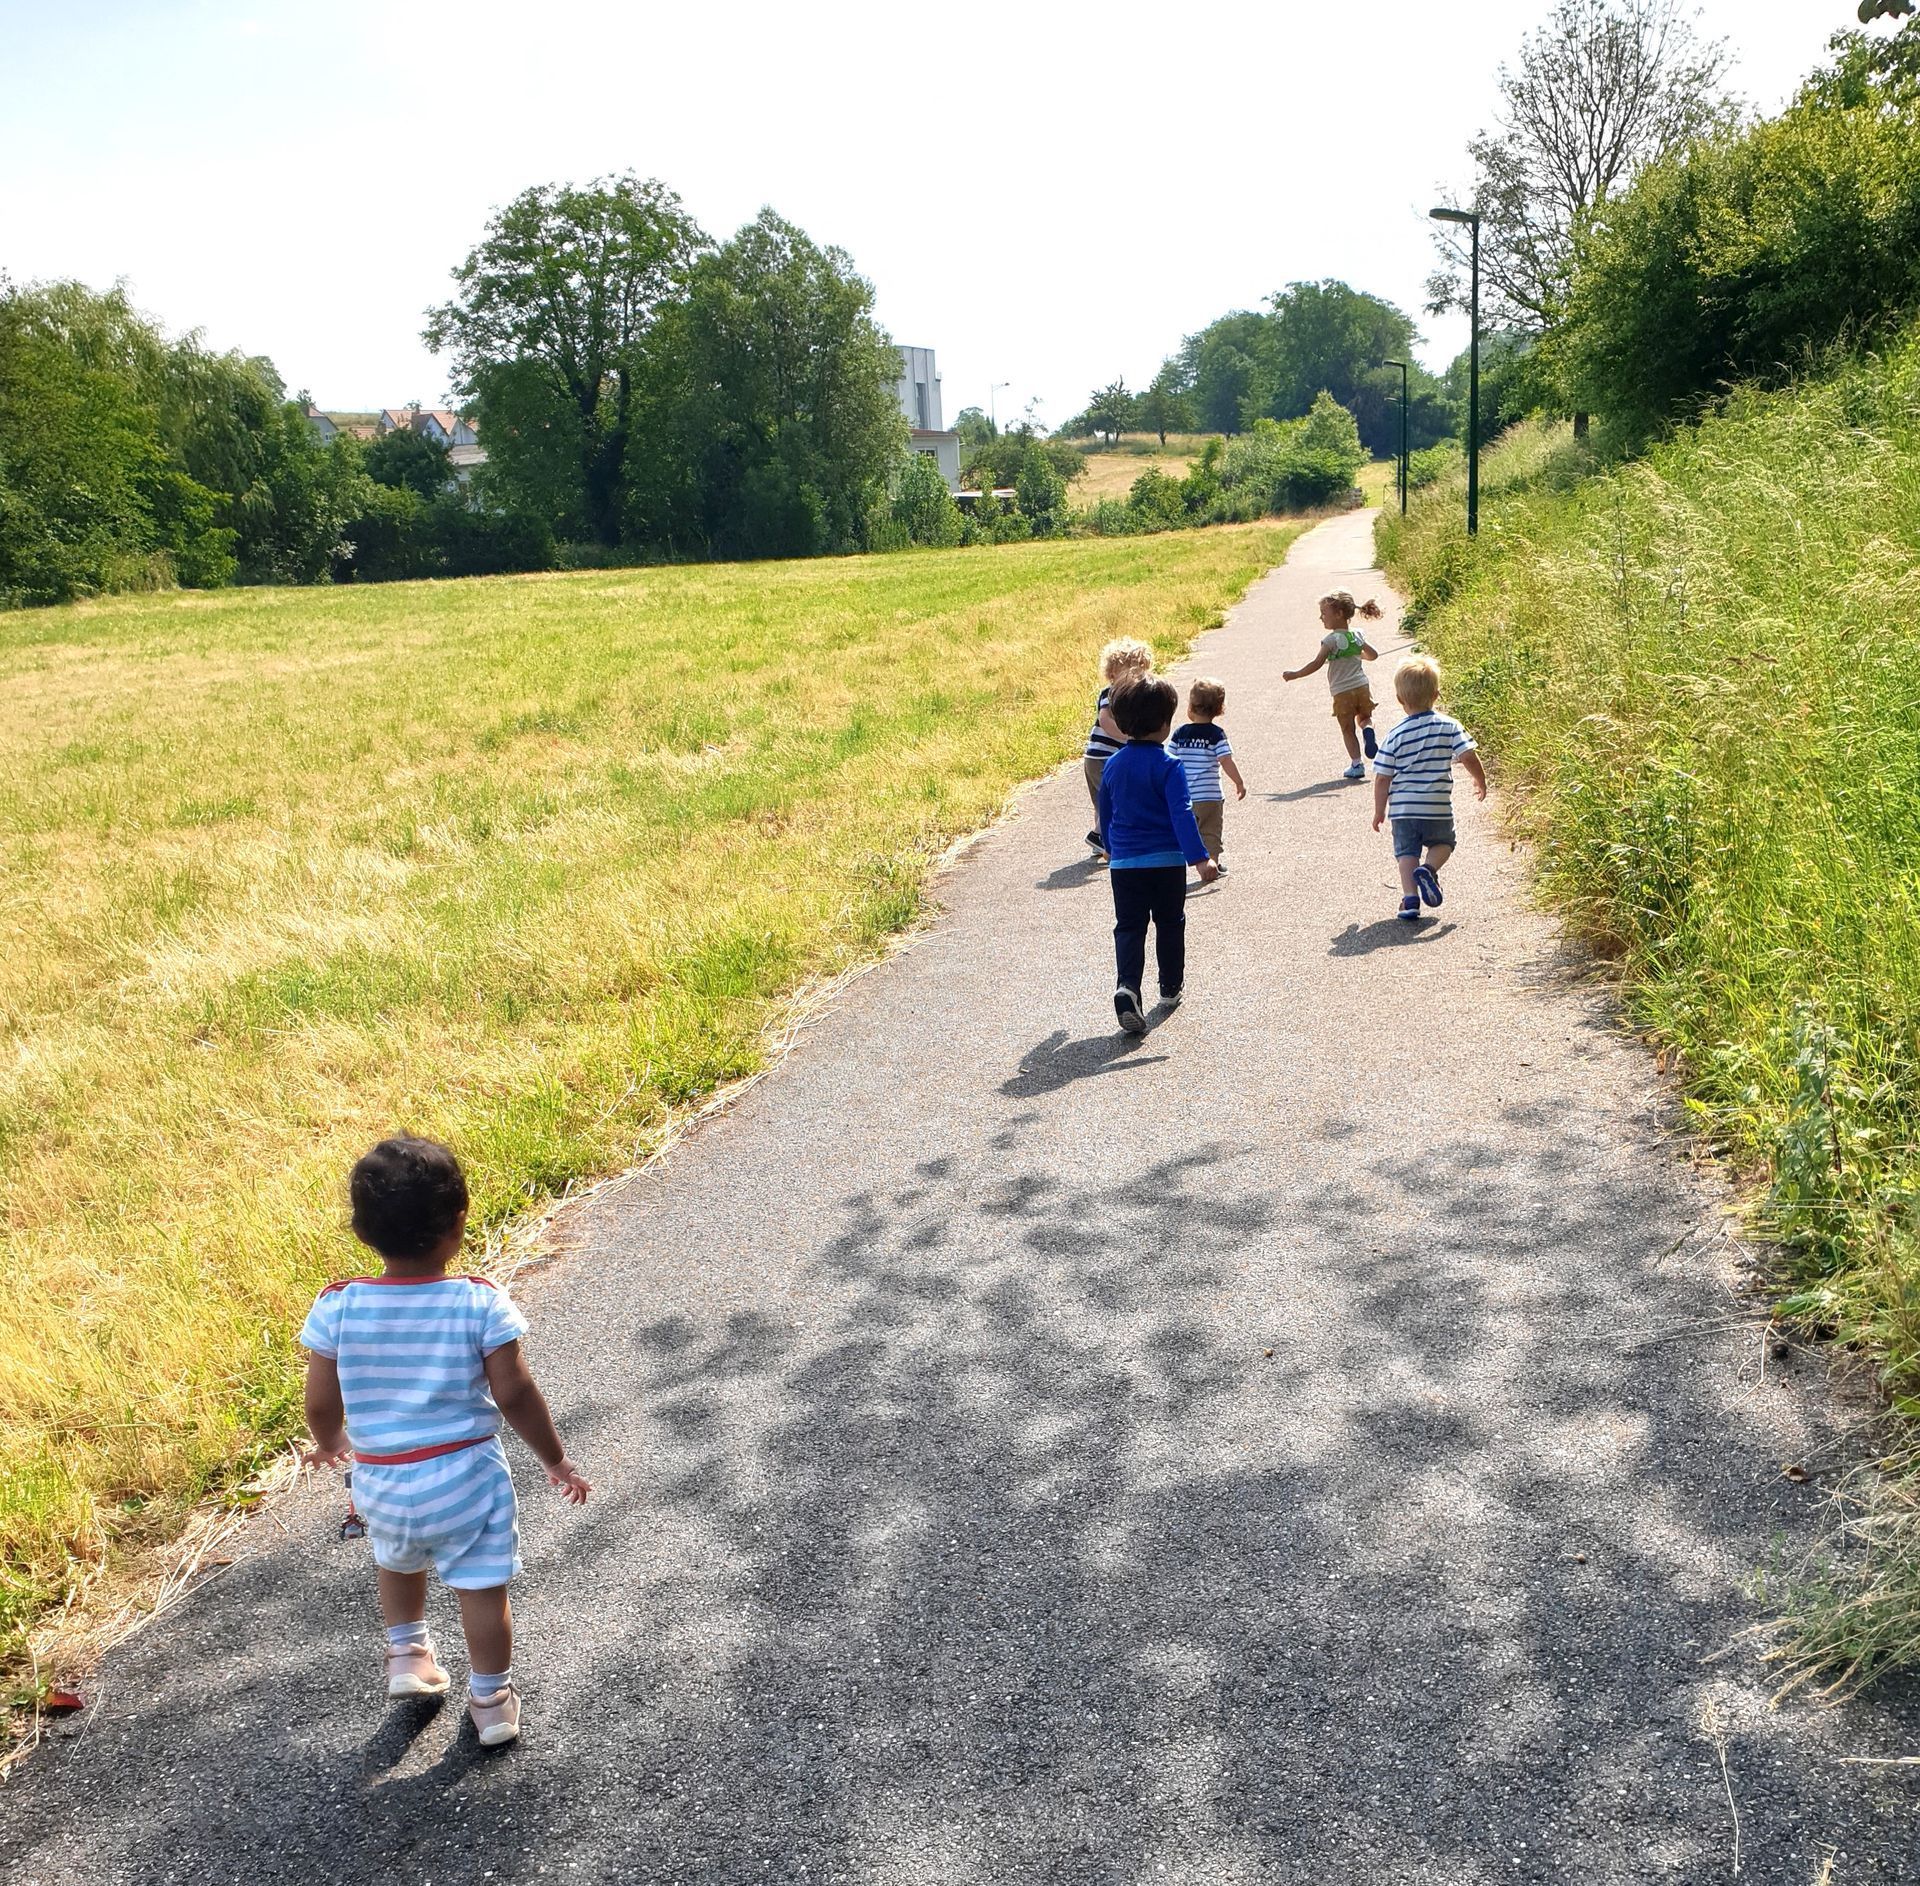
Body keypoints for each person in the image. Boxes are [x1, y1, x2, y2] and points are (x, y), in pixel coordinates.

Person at [300, 1136, 591, 1748]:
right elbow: (513, 1393)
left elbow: (323, 1400)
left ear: (361, 1231)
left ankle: (407, 1656)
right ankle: (491, 1700)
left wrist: (329, 1442)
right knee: (482, 1589)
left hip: (381, 1479)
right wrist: (556, 1459)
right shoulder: (478, 1300)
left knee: (396, 1560)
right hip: (465, 1477)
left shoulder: (338, 1306)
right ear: (459, 1222)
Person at [1097, 673, 1218, 1033]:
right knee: (1169, 922)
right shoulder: (1169, 765)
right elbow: (1181, 814)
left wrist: (1109, 847)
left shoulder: (1113, 765)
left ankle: (1127, 986)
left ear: (1120, 722)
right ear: (1165, 724)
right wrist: (1200, 858)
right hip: (1165, 862)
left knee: (1129, 927)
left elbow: (1104, 810)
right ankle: (1169, 986)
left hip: (1124, 864)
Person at [1369, 655, 1487, 923]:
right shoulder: (1449, 725)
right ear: (1436, 694)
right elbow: (1467, 755)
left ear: (1400, 700)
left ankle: (1410, 900)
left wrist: (1379, 809)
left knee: (1406, 853)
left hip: (1403, 810)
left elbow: (1382, 777)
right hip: (1437, 805)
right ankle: (1429, 868)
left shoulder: (1394, 734)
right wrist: (1480, 779)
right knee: (1444, 843)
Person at [1281, 590, 1385, 781]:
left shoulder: (1330, 641)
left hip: (1342, 691)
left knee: (1347, 729)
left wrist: (1295, 674)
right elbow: (1373, 655)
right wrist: (1359, 654)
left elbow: (1316, 663)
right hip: (1362, 686)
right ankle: (1368, 731)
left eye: (1324, 613)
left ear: (1338, 614)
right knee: (1364, 719)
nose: (1321, 617)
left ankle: (1356, 764)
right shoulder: (1357, 635)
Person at [1082, 637, 1154, 860]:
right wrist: (1128, 737)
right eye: (1131, 672)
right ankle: (1099, 836)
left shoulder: (1126, 695)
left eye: (1141, 673)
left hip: (1099, 757)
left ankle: (1101, 842)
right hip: (1103, 757)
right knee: (1112, 801)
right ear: (1112, 674)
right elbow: (1104, 719)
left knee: (1102, 801)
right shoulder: (1111, 693)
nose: (1137, 678)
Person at [1168, 677, 1247, 876]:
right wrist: (1238, 782)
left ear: (1190, 707)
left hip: (1184, 795)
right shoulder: (1217, 734)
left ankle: (1179, 862)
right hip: (1209, 795)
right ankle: (1212, 863)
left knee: (1185, 829)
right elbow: (1226, 760)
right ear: (1220, 709)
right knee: (1210, 832)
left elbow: (1169, 760)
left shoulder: (1180, 734)